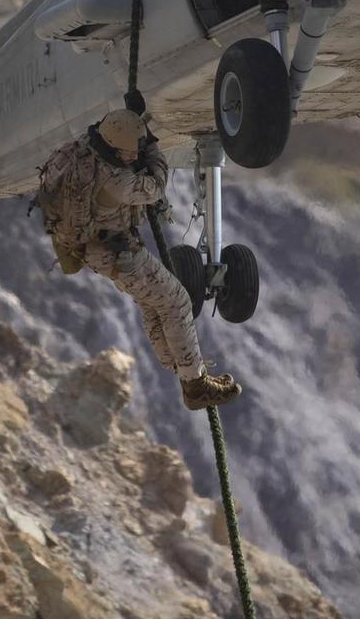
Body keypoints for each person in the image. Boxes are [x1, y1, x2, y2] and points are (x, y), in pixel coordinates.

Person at [39, 109, 243, 410]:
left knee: (153, 304)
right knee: (177, 303)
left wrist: (135, 129)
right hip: (118, 255)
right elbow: (156, 186)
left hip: (88, 246)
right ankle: (195, 386)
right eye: (129, 150)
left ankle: (181, 368)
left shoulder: (76, 150)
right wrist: (151, 148)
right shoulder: (118, 182)